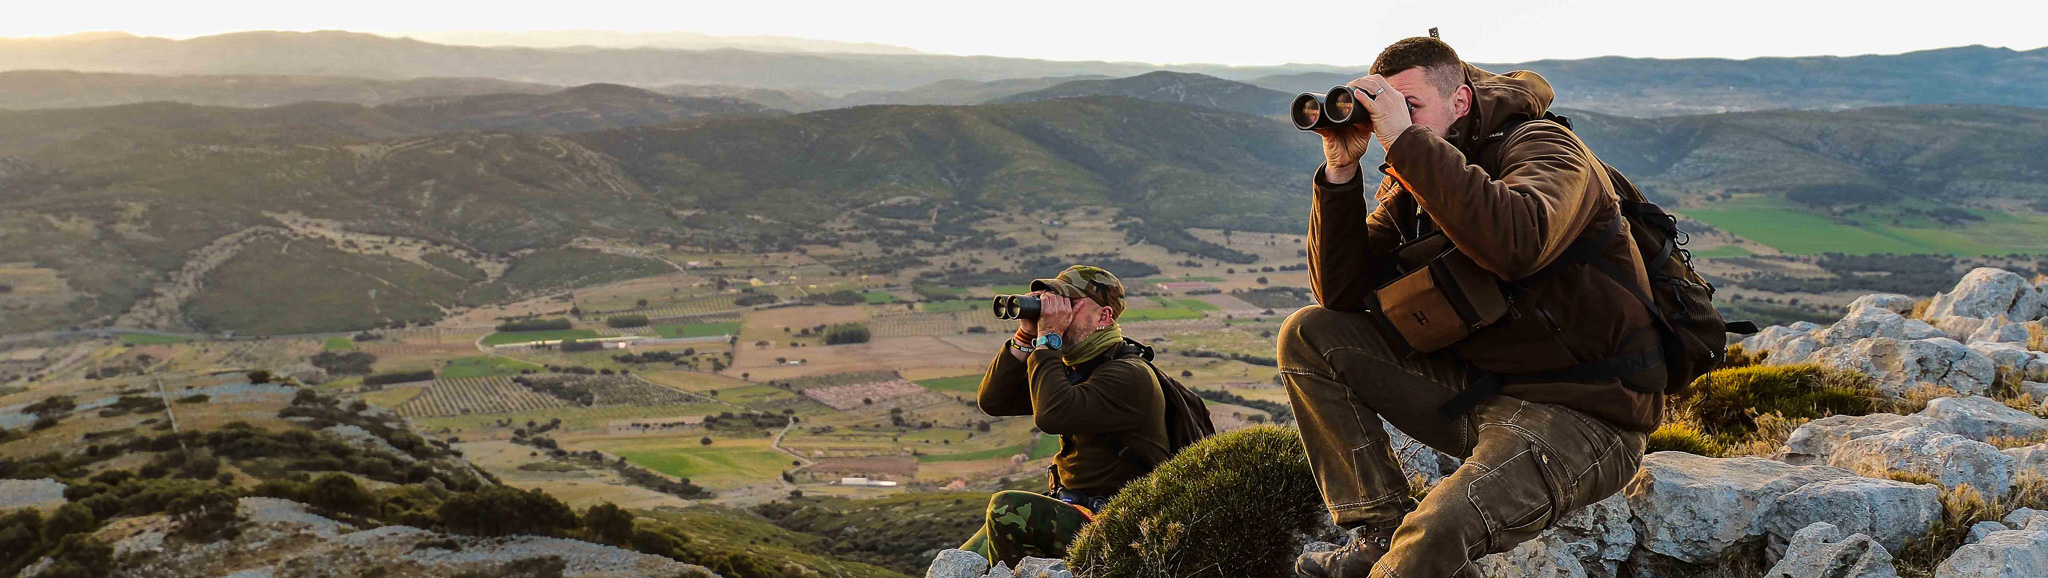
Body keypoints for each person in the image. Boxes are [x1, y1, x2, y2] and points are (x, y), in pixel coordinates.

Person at [1283, 36, 1660, 577]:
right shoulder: (1421, 169)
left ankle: (1398, 555)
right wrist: (1341, 173)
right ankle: (1376, 530)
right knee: (1311, 333)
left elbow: (1518, 241)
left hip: (1584, 414)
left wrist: (1406, 140)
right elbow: (1339, 296)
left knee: (1435, 531)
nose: (1394, 121)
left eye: (1409, 107)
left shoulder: (1546, 150)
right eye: (1386, 108)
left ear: (1459, 102)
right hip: (1482, 391)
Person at [957, 265, 1171, 567]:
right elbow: (994, 401)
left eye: (1069, 303)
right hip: (1073, 507)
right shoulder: (1077, 368)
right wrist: (1025, 335)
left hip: (1118, 525)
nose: (1058, 312)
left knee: (1007, 509)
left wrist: (1049, 339)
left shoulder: (1127, 376)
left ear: (1103, 317)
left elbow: (1051, 415)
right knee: (962, 559)